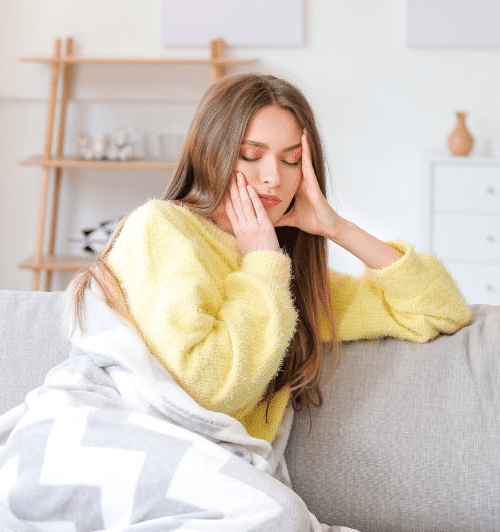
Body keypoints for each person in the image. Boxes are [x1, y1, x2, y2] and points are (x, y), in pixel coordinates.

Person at [70, 72, 471, 444]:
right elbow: (207, 389)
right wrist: (261, 260)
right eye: (251, 154)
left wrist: (338, 228)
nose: (273, 177)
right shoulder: (160, 228)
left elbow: (439, 310)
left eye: (291, 159)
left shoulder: (284, 278)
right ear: (213, 154)